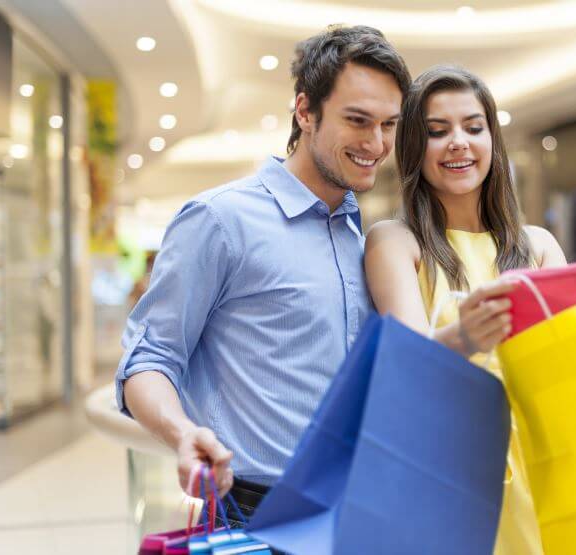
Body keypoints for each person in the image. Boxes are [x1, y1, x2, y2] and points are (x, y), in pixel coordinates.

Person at [364, 65, 576, 554]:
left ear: (493, 142)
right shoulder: (394, 241)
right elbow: (406, 362)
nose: (458, 142)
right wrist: (467, 337)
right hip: (449, 469)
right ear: (415, 147)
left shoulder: (535, 245)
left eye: (473, 128)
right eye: (438, 132)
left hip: (544, 465)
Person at [115, 25, 412, 527]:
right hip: (253, 515)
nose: (377, 143)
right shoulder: (219, 220)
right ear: (304, 111)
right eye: (358, 121)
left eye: (389, 124)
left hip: (352, 511)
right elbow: (150, 356)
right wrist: (182, 433)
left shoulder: (357, 233)